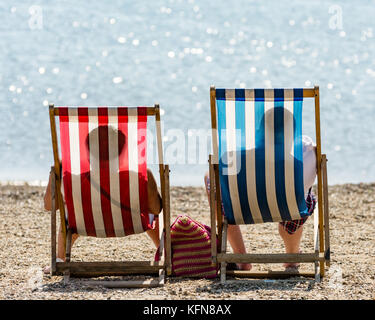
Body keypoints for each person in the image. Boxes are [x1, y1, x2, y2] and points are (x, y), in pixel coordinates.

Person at [43, 125, 162, 274]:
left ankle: (60, 260)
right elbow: (156, 209)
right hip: (132, 223)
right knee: (151, 213)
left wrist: (55, 172)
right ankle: (162, 251)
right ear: (122, 154)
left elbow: (49, 206)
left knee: (67, 218)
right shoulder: (139, 177)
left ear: (88, 155)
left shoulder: (72, 181)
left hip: (84, 224)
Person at [204, 135, 317, 271]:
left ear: (260, 130)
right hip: (291, 209)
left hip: (242, 207)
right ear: (292, 131)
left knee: (211, 177)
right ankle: (292, 257)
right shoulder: (305, 148)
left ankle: (241, 258)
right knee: (300, 196)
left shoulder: (240, 150)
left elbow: (221, 170)